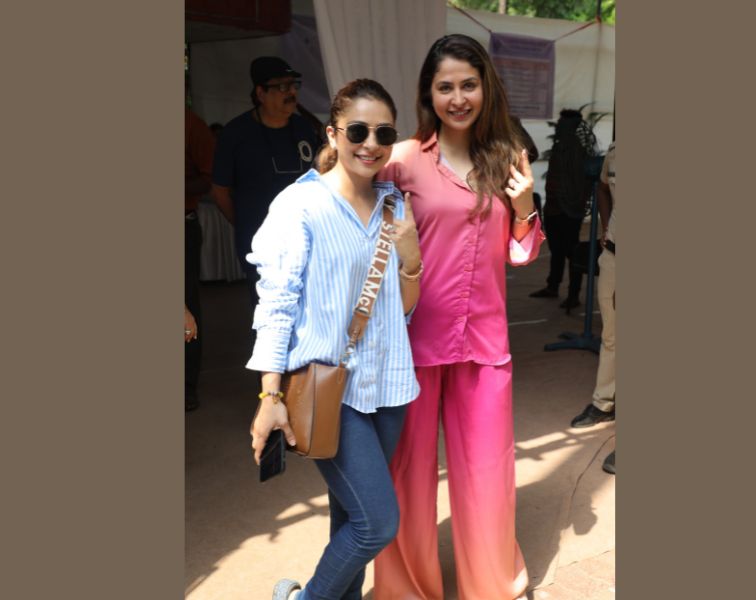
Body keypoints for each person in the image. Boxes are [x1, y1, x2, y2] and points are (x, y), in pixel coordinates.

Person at [373, 34, 543, 600]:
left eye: (468, 85)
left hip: (484, 343)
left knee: (488, 474)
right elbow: (364, 235)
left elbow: (520, 253)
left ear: (485, 87)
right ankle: (405, 589)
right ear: (429, 93)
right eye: (445, 86)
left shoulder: (507, 158)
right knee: (407, 477)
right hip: (412, 345)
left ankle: (491, 585)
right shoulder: (401, 160)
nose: (458, 98)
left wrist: (524, 207)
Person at [246, 79, 422, 600]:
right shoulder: (299, 205)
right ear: (332, 133)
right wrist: (270, 395)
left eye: (384, 133)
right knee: (376, 523)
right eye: (358, 131)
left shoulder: (394, 205)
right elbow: (276, 304)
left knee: (350, 515)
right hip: (329, 388)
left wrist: (411, 258)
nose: (371, 144)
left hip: (389, 383)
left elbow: (403, 309)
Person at [211, 56, 322, 307]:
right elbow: (219, 191)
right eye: (282, 86)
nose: (291, 92)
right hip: (261, 245)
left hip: (307, 240)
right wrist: (245, 224)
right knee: (270, 313)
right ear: (260, 93)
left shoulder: (305, 128)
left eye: (293, 85)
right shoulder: (235, 134)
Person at [570, 142, 616, 474]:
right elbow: (602, 186)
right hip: (614, 253)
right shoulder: (615, 152)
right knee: (612, 336)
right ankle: (605, 402)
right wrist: (606, 223)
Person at [529, 108, 597, 309]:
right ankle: (553, 286)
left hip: (568, 211)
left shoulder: (576, 151)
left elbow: (581, 185)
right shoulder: (560, 148)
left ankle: (573, 295)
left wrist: (572, 204)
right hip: (554, 208)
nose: (557, 127)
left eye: (561, 124)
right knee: (556, 250)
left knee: (571, 252)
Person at [185, 106, 216, 411]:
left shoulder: (192, 126)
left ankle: (186, 386)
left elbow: (208, 179)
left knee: (186, 308)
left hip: (182, 224)